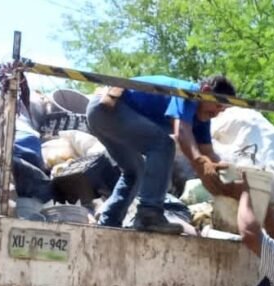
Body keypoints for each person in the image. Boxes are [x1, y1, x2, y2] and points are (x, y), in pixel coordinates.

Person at [86, 74, 236, 233]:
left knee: (135, 171)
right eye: (219, 106)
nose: (218, 113)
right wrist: (199, 162)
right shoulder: (189, 93)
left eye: (223, 109)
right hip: (108, 106)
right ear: (206, 91)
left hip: (101, 116)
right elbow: (182, 133)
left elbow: (209, 154)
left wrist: (230, 181)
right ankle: (149, 215)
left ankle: (109, 222)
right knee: (163, 145)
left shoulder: (202, 119)